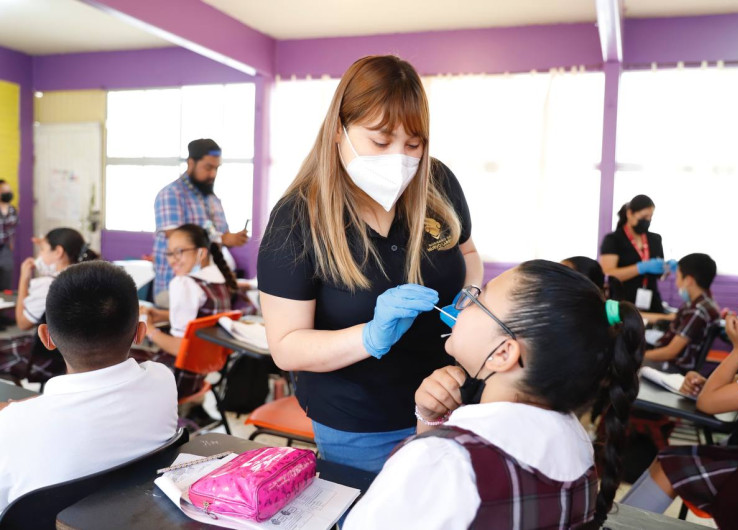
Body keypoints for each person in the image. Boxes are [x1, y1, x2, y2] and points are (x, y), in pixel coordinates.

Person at [257, 55, 482, 472]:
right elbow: (286, 346)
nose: (400, 159)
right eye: (380, 142)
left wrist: (469, 296)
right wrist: (369, 337)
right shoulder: (297, 218)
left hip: (450, 401)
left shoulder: (439, 183)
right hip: (360, 423)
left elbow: (467, 254)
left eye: (413, 145)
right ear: (338, 132)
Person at [344, 260, 645, 529]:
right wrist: (430, 421)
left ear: (503, 353)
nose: (462, 304)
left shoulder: (444, 462)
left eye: (478, 299)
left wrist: (433, 444)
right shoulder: (577, 443)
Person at [622, 275, 738, 530]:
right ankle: (616, 522)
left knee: (672, 467)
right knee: (667, 461)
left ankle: (618, 524)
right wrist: (704, 381)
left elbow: (709, 404)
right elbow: (728, 386)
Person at [0, 261, 178, 510]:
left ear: (45, 337)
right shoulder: (162, 380)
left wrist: (15, 413)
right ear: (139, 333)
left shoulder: (10, 429)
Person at [139, 224, 238, 409]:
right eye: (169, 253)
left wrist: (149, 330)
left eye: (179, 252)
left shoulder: (184, 283)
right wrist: (160, 314)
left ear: (201, 253)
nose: (172, 260)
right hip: (201, 376)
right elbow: (199, 321)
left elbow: (179, 348)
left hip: (177, 381)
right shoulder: (219, 281)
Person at [153, 139, 249, 308]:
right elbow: (177, 238)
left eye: (216, 168)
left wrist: (233, 239)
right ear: (191, 163)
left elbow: (220, 239)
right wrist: (223, 239)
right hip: (175, 288)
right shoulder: (171, 195)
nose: (213, 174)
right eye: (208, 167)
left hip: (208, 286)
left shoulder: (213, 199)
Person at [0, 228, 97, 381]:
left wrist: (24, 278)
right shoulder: (88, 278)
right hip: (79, 357)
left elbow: (23, 323)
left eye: (43, 249)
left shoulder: (49, 285)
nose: (40, 255)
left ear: (58, 252)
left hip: (47, 360)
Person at [599, 195, 675, 315]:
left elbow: (660, 275)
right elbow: (608, 274)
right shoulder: (613, 239)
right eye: (644, 217)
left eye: (650, 217)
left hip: (652, 301)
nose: (647, 221)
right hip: (623, 302)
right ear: (630, 213)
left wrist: (667, 268)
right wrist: (640, 268)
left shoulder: (655, 239)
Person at [644, 253, 720, 373]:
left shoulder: (697, 311)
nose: (676, 283)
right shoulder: (702, 302)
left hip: (672, 368)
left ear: (689, 280)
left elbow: (670, 352)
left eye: (678, 277)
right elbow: (670, 318)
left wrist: (638, 357)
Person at [0, 180, 18, 290]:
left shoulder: (12, 210)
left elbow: (12, 230)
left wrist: (11, 245)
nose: (8, 193)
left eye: (9, 190)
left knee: (6, 283)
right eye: (4, 190)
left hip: (5, 250)